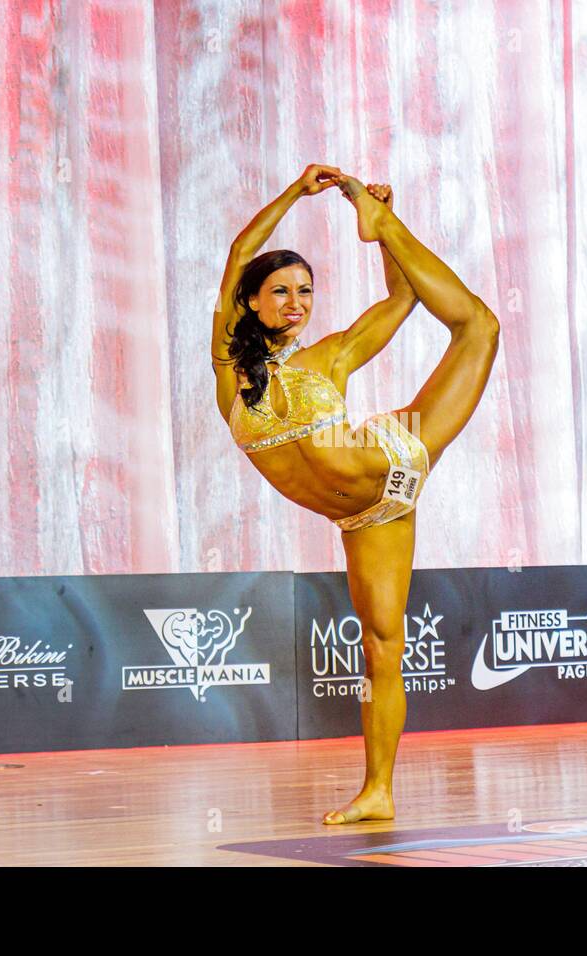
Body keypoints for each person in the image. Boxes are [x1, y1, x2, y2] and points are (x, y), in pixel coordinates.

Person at [211, 163, 500, 824]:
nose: (296, 303)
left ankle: (386, 225)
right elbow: (237, 254)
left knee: (479, 327)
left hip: (398, 454)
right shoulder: (229, 374)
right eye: (281, 290)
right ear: (250, 303)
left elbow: (403, 303)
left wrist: (375, 226)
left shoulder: (331, 357)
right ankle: (378, 791)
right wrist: (293, 191)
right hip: (370, 514)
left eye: (306, 291)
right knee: (381, 645)